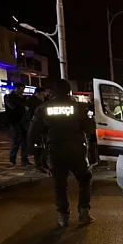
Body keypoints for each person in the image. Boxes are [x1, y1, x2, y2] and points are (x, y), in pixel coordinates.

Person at [28, 80, 96, 228]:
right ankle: (84, 212)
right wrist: (92, 152)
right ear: (68, 91)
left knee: (59, 184)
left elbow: (33, 132)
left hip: (55, 150)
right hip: (76, 149)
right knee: (84, 179)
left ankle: (62, 217)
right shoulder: (79, 107)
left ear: (53, 92)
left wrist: (36, 154)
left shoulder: (43, 108)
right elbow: (90, 129)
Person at [22, 87, 48, 172]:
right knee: (37, 146)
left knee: (42, 147)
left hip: (40, 126)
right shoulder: (32, 102)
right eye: (42, 95)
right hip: (34, 126)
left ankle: (43, 163)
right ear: (36, 93)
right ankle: (38, 165)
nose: (43, 97)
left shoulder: (40, 102)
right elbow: (28, 114)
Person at [5, 83, 30, 166]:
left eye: (23, 89)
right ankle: (12, 159)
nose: (23, 90)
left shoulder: (23, 98)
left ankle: (24, 160)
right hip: (14, 121)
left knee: (24, 141)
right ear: (17, 88)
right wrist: (22, 101)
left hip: (23, 121)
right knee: (16, 140)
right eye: (21, 89)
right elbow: (12, 106)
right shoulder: (9, 97)